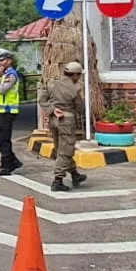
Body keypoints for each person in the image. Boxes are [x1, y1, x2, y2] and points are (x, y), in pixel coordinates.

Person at [38, 61, 89, 191]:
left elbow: (42, 100)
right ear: (75, 75)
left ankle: (75, 174)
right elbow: (80, 109)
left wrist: (52, 109)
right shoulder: (74, 89)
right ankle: (58, 180)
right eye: (79, 75)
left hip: (53, 120)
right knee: (66, 151)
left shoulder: (52, 83)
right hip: (67, 121)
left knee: (61, 148)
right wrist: (82, 98)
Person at [0, 48, 24, 176]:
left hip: (8, 111)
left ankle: (6, 165)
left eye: (2, 60)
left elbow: (2, 90)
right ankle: (12, 160)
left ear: (9, 61)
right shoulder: (2, 74)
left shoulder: (11, 75)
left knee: (3, 139)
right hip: (0, 111)